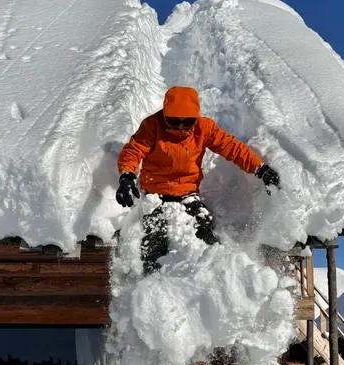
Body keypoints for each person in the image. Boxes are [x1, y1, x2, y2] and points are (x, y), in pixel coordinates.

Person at [116, 86, 280, 273]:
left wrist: (260, 169)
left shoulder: (204, 128)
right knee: (155, 233)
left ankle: (214, 273)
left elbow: (232, 148)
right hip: (155, 193)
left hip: (187, 193)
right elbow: (133, 150)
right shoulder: (152, 126)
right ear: (164, 115)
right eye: (173, 121)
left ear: (195, 118)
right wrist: (127, 176)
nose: (179, 127)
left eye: (187, 122)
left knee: (204, 227)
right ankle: (152, 281)